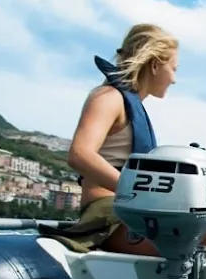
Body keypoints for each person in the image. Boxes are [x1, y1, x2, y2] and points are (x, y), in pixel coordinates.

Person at [38, 23, 178, 255]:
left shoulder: (131, 106)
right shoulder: (109, 98)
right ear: (155, 65)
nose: (174, 79)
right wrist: (135, 193)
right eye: (174, 69)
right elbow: (80, 154)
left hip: (129, 214)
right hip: (107, 217)